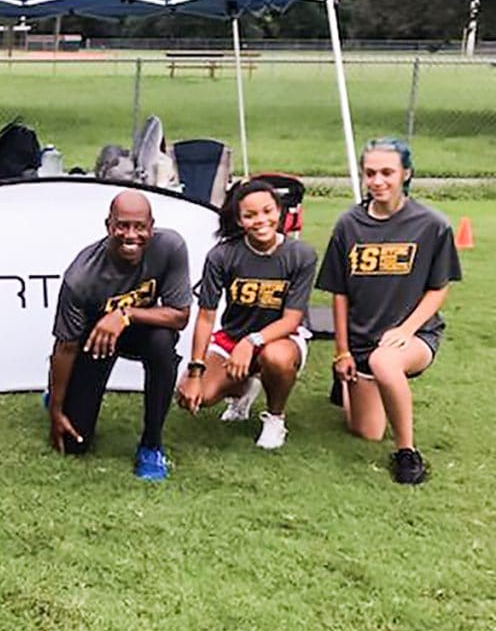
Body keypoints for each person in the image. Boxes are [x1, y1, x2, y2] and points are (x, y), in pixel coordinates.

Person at [316, 137, 460, 485]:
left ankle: (407, 453)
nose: (378, 181)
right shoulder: (348, 225)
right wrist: (342, 352)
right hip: (362, 340)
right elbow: (339, 294)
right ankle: (347, 384)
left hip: (414, 336)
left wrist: (406, 330)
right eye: (370, 173)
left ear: (406, 173)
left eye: (387, 172)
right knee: (366, 431)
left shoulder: (432, 225)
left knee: (385, 361)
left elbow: (438, 289)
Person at [48, 189, 191, 481]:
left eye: (140, 226)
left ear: (152, 226)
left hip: (142, 331)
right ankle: (58, 396)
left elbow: (179, 315)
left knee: (163, 345)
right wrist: (56, 409)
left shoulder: (171, 246)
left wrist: (125, 315)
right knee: (76, 444)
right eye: (122, 225)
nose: (131, 234)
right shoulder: (81, 276)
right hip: (96, 340)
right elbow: (65, 347)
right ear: (108, 226)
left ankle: (151, 445)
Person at [176, 180, 317, 449]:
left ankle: (275, 418)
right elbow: (206, 316)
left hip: (281, 338)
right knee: (194, 396)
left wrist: (252, 341)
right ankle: (242, 390)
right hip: (232, 339)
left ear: (280, 211)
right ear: (239, 220)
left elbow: (292, 319)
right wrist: (195, 372)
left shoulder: (301, 254)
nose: (261, 220)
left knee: (276, 358)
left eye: (267, 211)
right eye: (250, 215)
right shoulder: (222, 255)